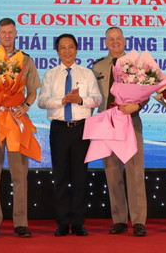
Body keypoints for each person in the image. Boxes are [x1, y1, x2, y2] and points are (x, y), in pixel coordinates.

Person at [0, 18, 41, 238]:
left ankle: (20, 223)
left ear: (16, 34)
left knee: (19, 172)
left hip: (15, 117)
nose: (6, 36)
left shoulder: (26, 60)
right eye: (3, 32)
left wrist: (25, 105)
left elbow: (33, 90)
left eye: (10, 32)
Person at [37, 34, 102, 237]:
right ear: (57, 51)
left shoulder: (86, 73)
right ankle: (63, 223)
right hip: (58, 129)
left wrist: (80, 99)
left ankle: (79, 222)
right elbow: (42, 101)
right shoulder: (50, 75)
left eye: (71, 47)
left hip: (82, 128)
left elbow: (98, 99)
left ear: (76, 49)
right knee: (61, 176)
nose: (67, 51)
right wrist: (62, 101)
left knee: (80, 176)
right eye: (63, 47)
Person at [92, 26, 148, 236]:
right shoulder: (97, 66)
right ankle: (119, 219)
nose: (115, 42)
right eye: (110, 39)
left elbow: (145, 92)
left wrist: (139, 105)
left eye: (118, 38)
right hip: (107, 124)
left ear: (124, 41)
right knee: (112, 172)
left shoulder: (137, 64)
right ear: (105, 42)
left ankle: (139, 221)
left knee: (135, 172)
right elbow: (94, 96)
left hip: (131, 122)